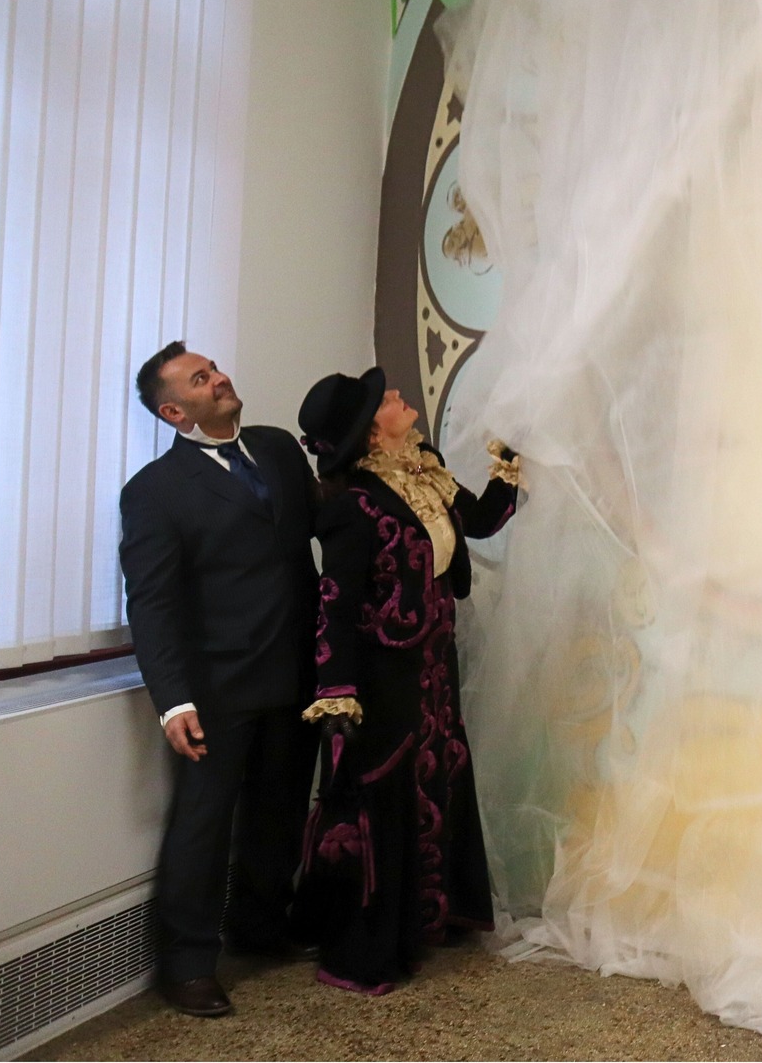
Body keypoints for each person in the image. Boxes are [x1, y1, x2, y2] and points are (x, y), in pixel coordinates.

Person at [292, 368, 522, 993]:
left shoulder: (425, 468)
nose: (398, 397)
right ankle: (369, 947)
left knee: (438, 775)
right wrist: (336, 692)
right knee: (387, 793)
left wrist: (510, 464)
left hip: (434, 666)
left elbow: (479, 522)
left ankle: (429, 917)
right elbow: (335, 604)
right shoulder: (353, 506)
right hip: (383, 675)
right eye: (385, 400)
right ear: (371, 432)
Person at [119, 343, 322, 1017]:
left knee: (280, 808)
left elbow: (319, 528)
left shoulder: (279, 449)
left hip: (297, 670)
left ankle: (261, 927)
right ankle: (186, 965)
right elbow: (151, 603)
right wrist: (172, 699)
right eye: (201, 378)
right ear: (174, 412)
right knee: (202, 828)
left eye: (215, 368)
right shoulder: (154, 491)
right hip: (216, 687)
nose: (220, 378)